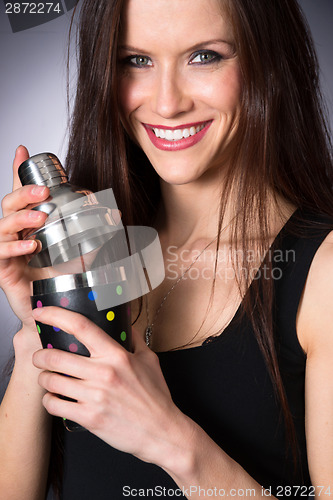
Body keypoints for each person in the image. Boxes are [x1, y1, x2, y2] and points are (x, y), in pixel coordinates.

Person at [0, 0, 333, 498]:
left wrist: (170, 439)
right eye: (136, 60)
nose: (167, 102)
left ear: (269, 61)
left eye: (204, 56)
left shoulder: (323, 272)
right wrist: (42, 322)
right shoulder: (98, 254)